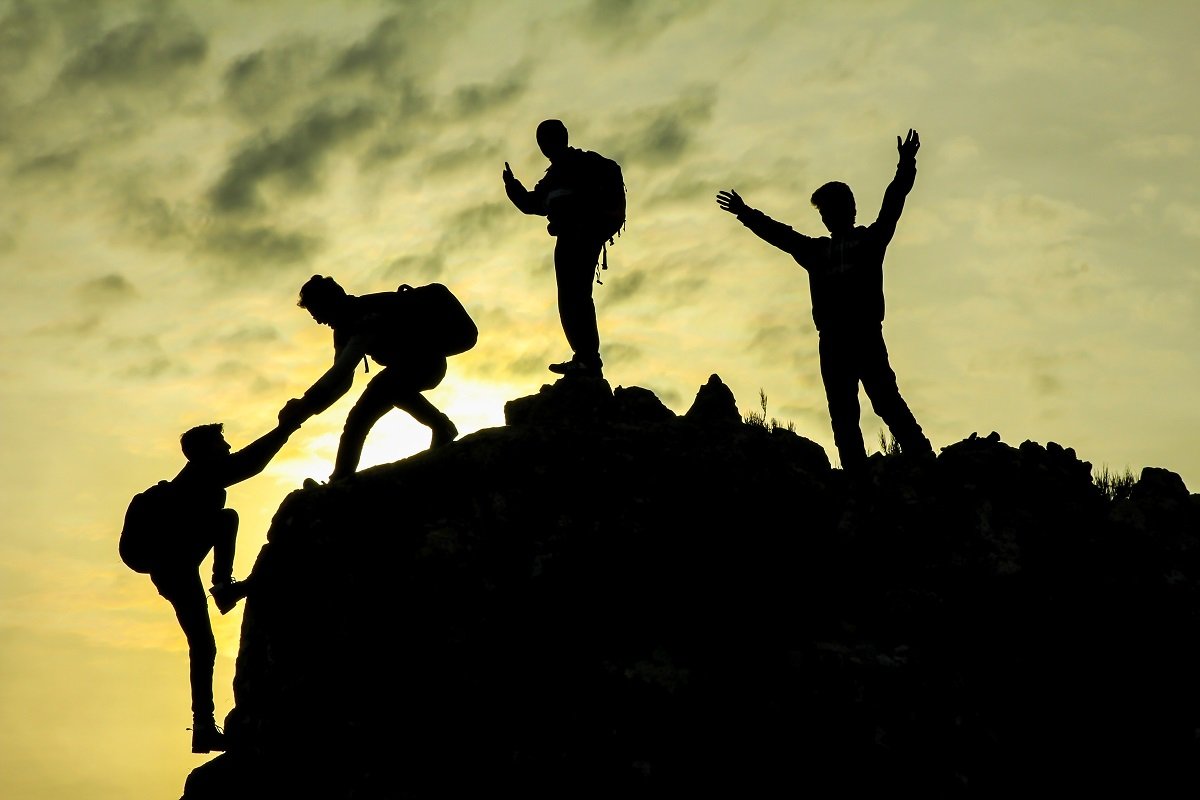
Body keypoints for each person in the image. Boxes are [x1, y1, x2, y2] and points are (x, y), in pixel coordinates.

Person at [716, 129, 935, 470]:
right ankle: (856, 473)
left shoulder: (867, 242)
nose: (826, 216)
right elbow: (780, 234)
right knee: (843, 411)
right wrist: (746, 213)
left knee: (884, 399)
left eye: (830, 209)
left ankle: (920, 455)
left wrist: (906, 164)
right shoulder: (817, 251)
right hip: (833, 341)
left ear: (848, 209)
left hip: (864, 334)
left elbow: (894, 202)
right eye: (823, 212)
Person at [152, 415, 301, 753]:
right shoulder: (200, 476)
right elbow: (250, 463)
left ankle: (222, 585)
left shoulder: (198, 480)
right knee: (203, 646)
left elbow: (243, 463)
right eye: (222, 444)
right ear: (205, 452)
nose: (228, 447)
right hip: (176, 569)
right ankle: (203, 725)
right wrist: (285, 428)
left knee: (203, 646)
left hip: (177, 567)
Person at [283, 275, 458, 482]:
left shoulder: (365, 314)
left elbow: (342, 370)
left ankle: (441, 426)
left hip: (428, 363)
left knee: (388, 389)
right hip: (401, 371)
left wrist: (304, 405)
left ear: (331, 301)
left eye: (319, 313)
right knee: (358, 418)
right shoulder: (344, 331)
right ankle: (340, 478)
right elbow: (342, 381)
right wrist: (306, 409)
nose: (320, 321)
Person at [502, 119, 625, 379]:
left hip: (582, 237)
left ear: (563, 137)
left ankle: (588, 360)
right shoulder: (555, 174)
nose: (545, 146)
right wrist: (512, 186)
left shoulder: (582, 165)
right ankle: (584, 358)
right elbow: (532, 204)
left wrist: (586, 223)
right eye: (542, 141)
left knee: (576, 297)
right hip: (569, 238)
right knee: (570, 298)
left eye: (548, 139)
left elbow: (537, 204)